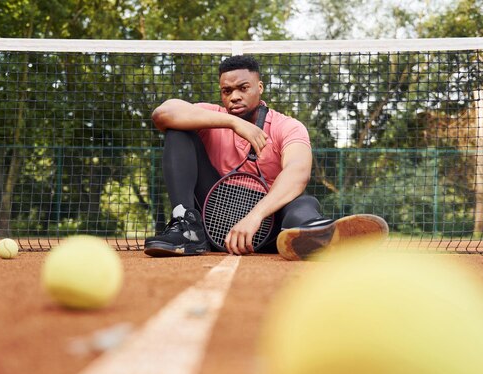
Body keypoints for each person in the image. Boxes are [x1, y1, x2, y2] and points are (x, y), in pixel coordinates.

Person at [144, 55, 388, 260]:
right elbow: (163, 113)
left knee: (303, 206)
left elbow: (298, 173)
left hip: (267, 223)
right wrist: (232, 122)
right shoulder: (213, 116)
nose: (234, 96)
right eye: (227, 91)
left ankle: (318, 234)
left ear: (259, 88)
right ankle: (188, 230)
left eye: (243, 88)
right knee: (177, 131)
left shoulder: (288, 126)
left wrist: (255, 217)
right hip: (212, 211)